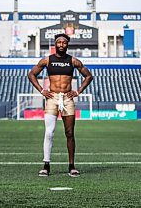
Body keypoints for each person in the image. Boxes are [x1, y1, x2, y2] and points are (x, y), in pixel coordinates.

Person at [28, 33, 93, 177]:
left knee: (69, 133)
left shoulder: (73, 61)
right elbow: (31, 74)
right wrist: (41, 90)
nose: (61, 44)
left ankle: (72, 166)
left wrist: (78, 91)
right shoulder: (47, 60)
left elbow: (89, 76)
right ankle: (46, 165)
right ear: (55, 44)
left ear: (67, 45)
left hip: (68, 98)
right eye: (59, 42)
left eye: (64, 42)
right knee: (49, 132)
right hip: (52, 98)